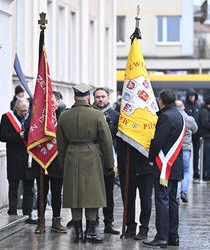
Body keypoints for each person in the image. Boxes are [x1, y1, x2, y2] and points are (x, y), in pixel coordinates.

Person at [56, 83, 114, 243]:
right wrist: (109, 163)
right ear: (88, 97)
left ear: (74, 97)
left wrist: (62, 163)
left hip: (71, 155)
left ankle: (77, 232)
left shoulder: (64, 115)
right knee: (92, 193)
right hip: (92, 155)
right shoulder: (97, 115)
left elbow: (60, 144)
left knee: (74, 193)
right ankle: (91, 232)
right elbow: (106, 141)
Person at [144, 89, 185, 248]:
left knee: (162, 201)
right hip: (175, 165)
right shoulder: (179, 114)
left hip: (164, 167)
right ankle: (173, 236)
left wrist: (150, 158)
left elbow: (158, 141)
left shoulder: (166, 116)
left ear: (161, 101)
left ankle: (162, 237)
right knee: (173, 201)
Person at [30, 91, 67, 234]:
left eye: (52, 101)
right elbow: (28, 133)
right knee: (41, 192)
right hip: (41, 161)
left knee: (57, 193)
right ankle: (41, 221)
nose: (49, 103)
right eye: (47, 101)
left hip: (57, 161)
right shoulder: (36, 117)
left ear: (58, 102)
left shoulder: (63, 116)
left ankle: (56, 221)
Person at [0, 98, 37, 224]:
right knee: (13, 186)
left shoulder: (31, 117)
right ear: (16, 108)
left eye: (26, 110)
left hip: (29, 158)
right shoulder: (6, 117)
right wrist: (18, 136)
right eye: (21, 111)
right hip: (14, 157)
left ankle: (28, 213)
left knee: (29, 188)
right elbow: (2, 136)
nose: (24, 113)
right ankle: (13, 212)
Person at [92, 87, 120, 235]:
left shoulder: (115, 115)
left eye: (103, 96)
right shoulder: (90, 114)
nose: (100, 99)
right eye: (97, 97)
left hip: (110, 160)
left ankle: (108, 223)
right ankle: (94, 222)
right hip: (93, 160)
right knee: (94, 194)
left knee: (109, 195)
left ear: (108, 98)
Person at [117, 140, 153, 240]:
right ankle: (130, 227)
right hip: (127, 165)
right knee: (128, 199)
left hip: (145, 165)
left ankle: (144, 228)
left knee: (146, 200)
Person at [175, 100, 198, 203]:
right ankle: (184, 191)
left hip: (174, 150)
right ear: (183, 107)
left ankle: (175, 194)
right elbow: (195, 130)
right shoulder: (189, 119)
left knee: (174, 172)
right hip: (186, 149)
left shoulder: (173, 118)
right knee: (186, 171)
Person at [184, 89, 200, 181]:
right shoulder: (185, 106)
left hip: (197, 134)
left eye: (193, 96)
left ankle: (196, 172)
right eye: (190, 96)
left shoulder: (198, 106)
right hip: (187, 135)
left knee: (196, 155)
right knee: (186, 155)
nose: (192, 98)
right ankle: (185, 172)